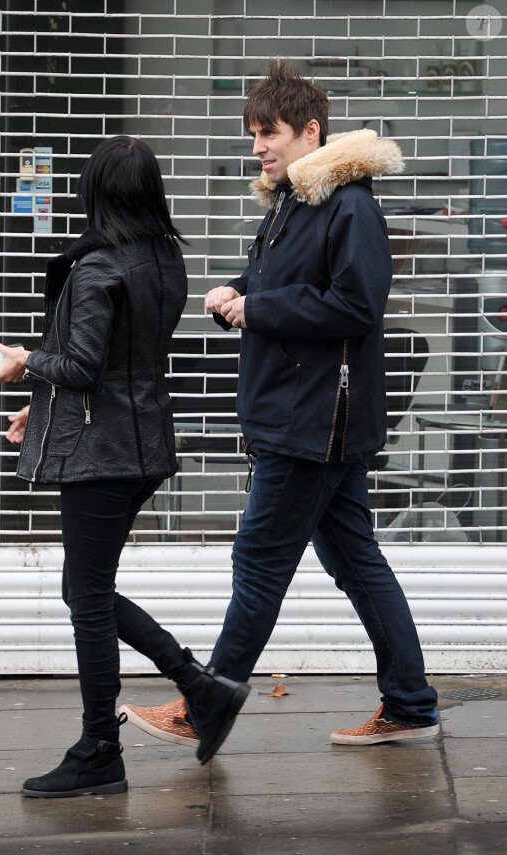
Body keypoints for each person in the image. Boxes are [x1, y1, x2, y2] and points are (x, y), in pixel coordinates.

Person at [120, 61, 440, 749]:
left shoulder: (349, 204)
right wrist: (233, 293)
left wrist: (255, 307)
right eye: (253, 135)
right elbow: (279, 283)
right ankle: (411, 702)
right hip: (307, 413)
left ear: (311, 132)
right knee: (357, 561)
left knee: (259, 559)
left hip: (313, 421)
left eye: (270, 133)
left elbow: (356, 304)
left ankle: (205, 704)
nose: (258, 147)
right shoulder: (295, 200)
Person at [0, 135, 250, 798]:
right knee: (87, 590)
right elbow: (120, 362)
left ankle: (101, 748)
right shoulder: (165, 258)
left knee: (87, 597)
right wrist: (40, 409)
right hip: (143, 446)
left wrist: (25, 360)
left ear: (97, 191)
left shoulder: (97, 267)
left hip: (99, 456)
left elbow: (80, 365)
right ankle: (199, 688)